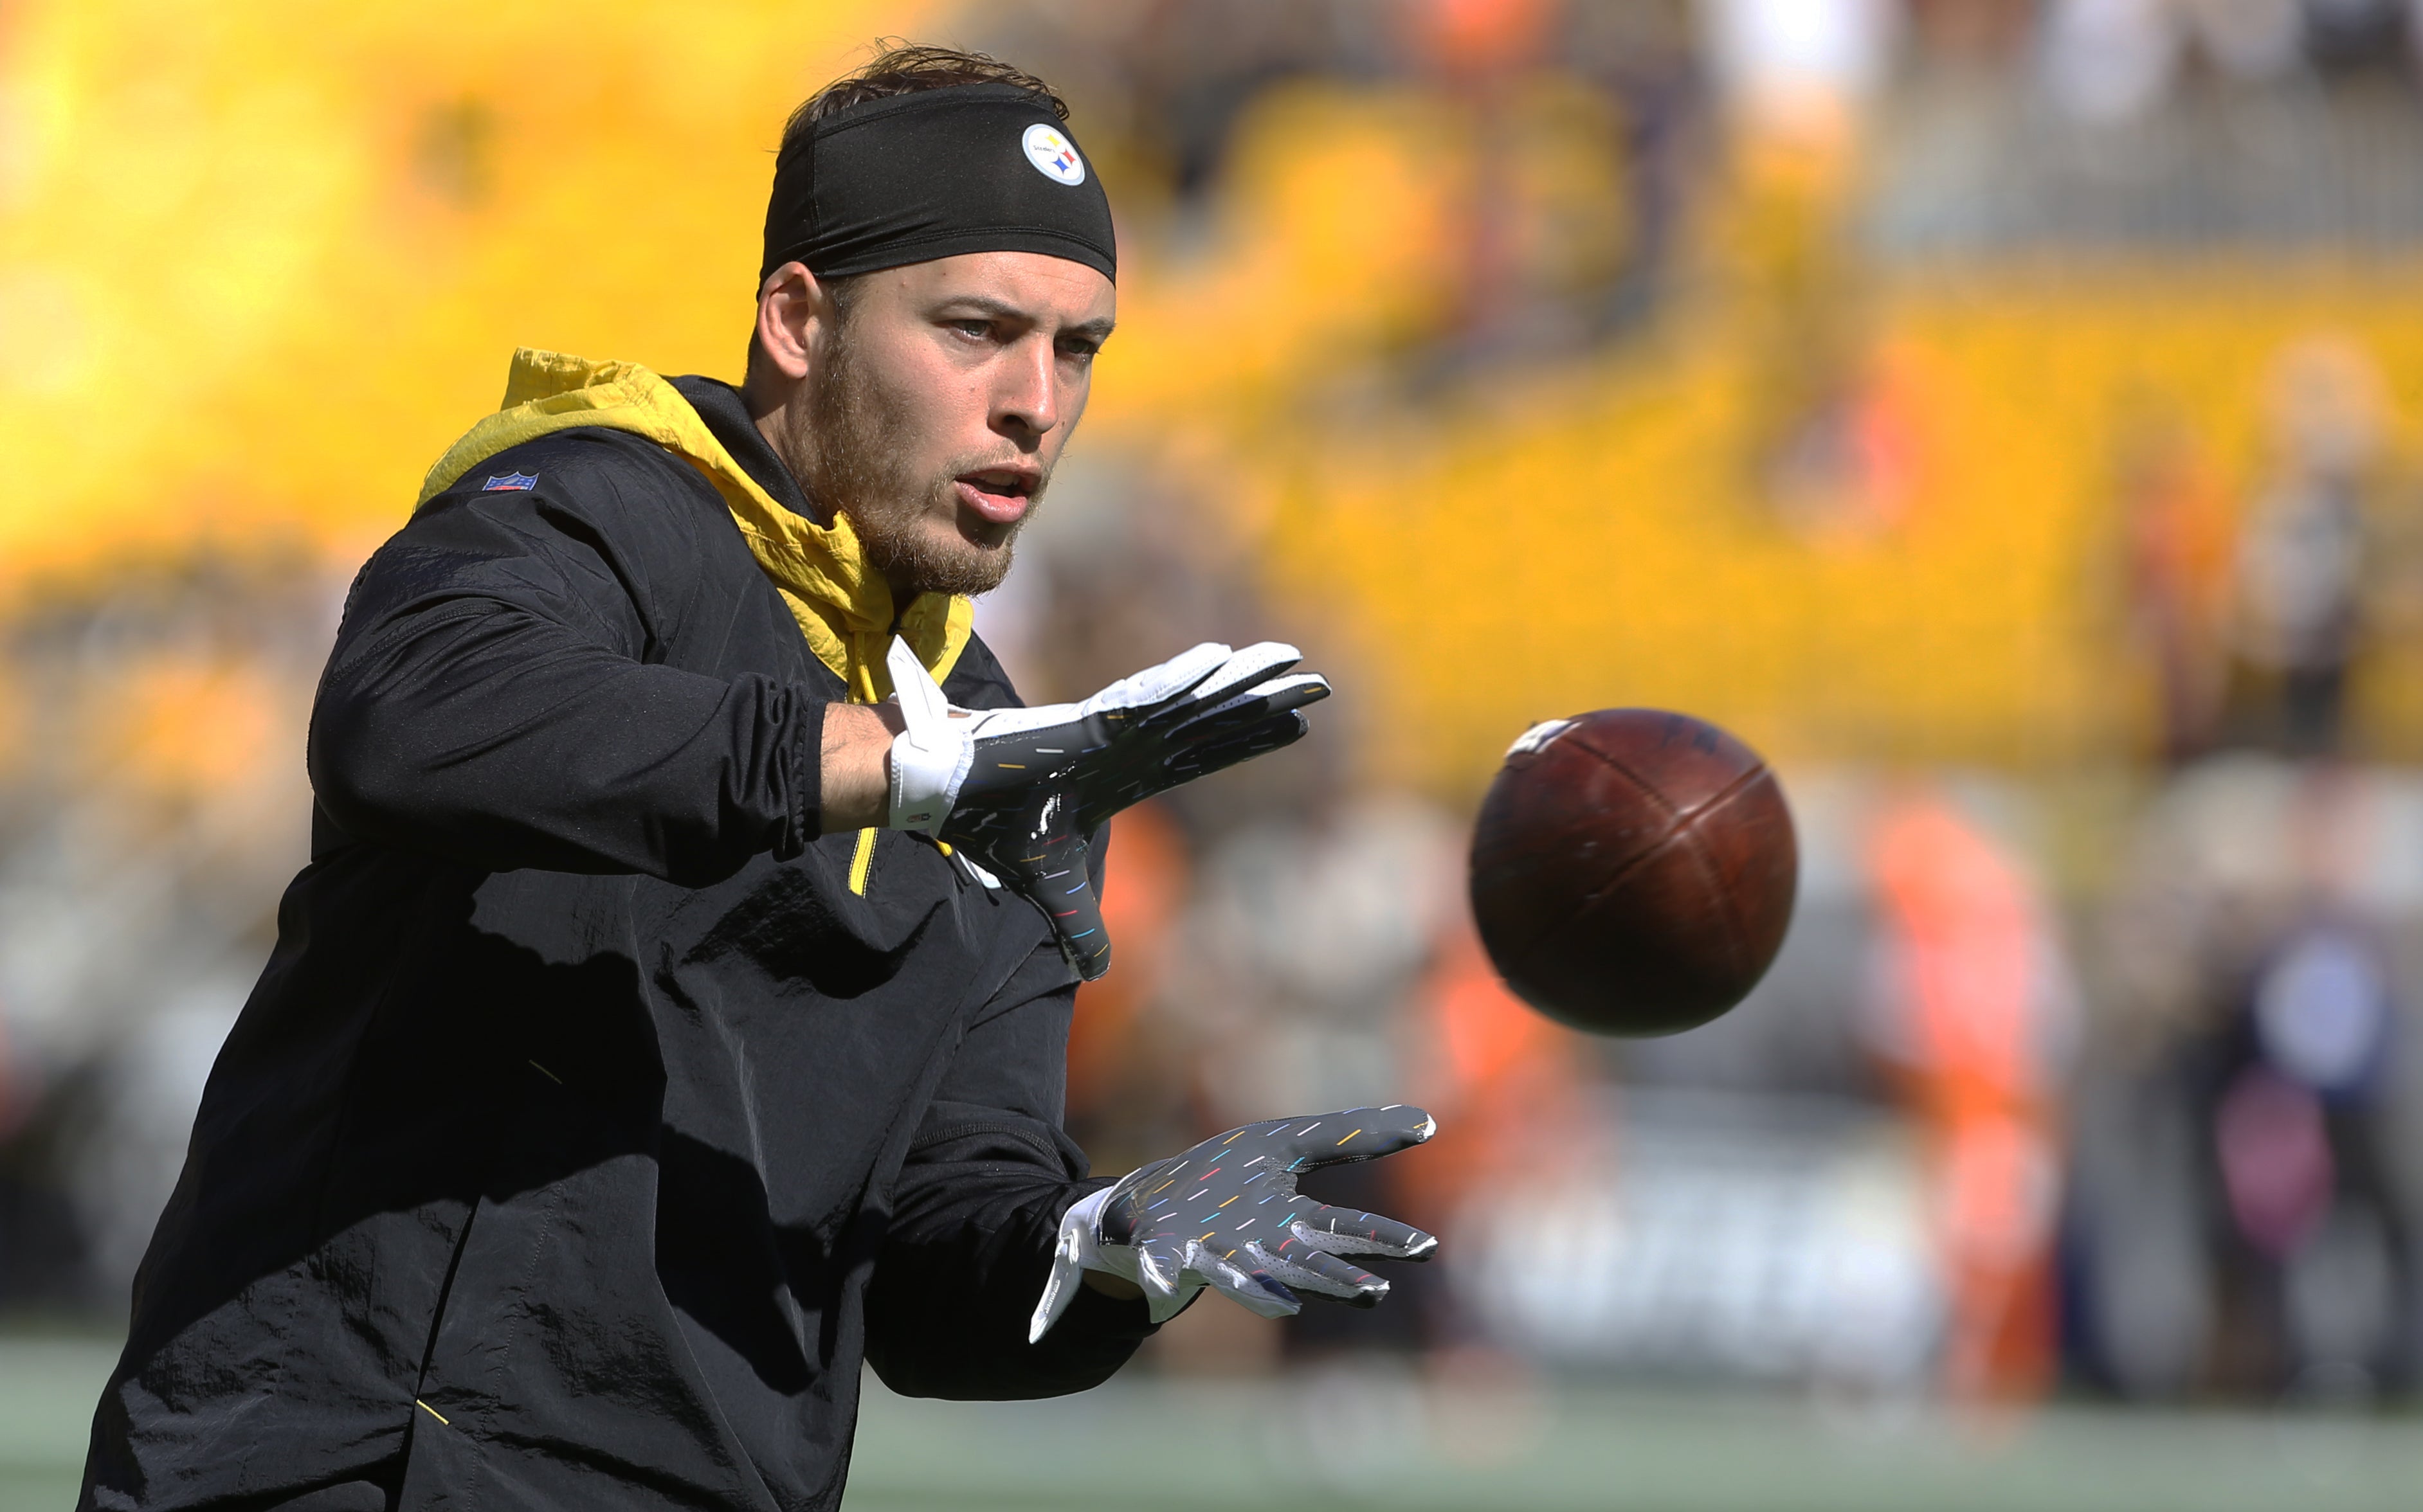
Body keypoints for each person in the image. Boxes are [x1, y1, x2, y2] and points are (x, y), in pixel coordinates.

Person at [80, 45, 1435, 1512]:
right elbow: (410, 716)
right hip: (345, 1463)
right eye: (977, 330)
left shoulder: (1011, 754)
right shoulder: (596, 507)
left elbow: (928, 1273)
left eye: (1078, 349)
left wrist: (1103, 1251)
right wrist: (889, 772)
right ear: (799, 322)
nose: (1035, 403)